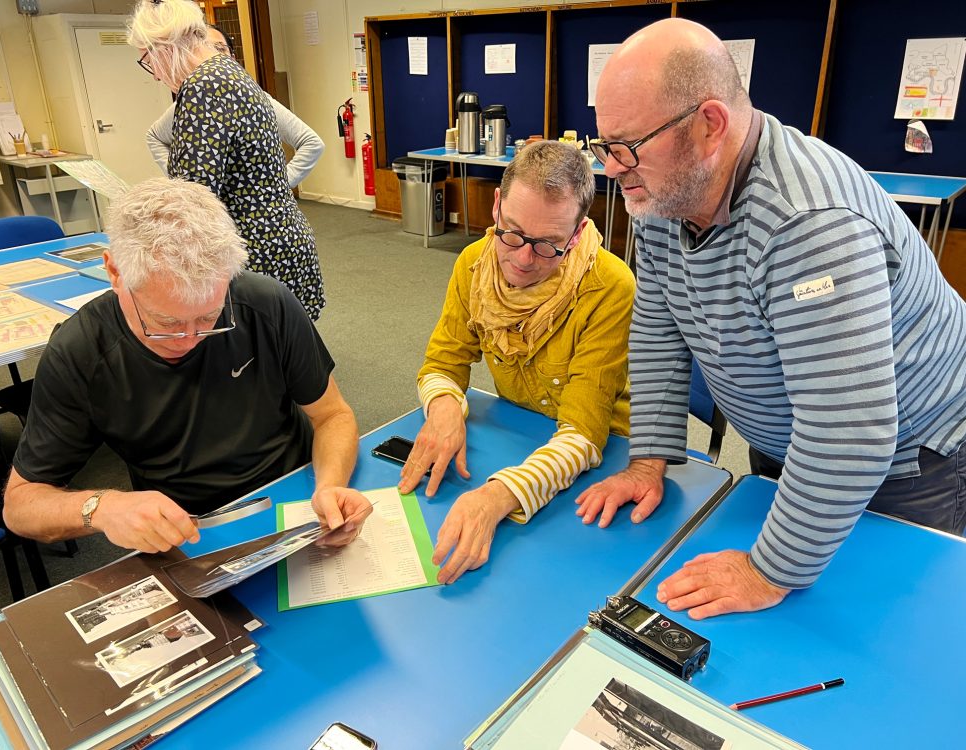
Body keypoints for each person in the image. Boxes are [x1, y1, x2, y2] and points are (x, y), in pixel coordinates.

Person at [580, 18, 966, 619]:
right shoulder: (662, 189)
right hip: (795, 441)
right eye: (604, 146)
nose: (611, 167)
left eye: (627, 146)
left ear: (709, 126)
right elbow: (658, 326)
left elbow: (851, 432)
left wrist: (769, 569)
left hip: (911, 457)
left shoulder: (808, 223)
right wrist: (649, 459)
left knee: (870, 627)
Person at [3, 178, 371, 554]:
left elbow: (331, 416)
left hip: (294, 495)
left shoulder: (266, 303)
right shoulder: (81, 350)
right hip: (185, 528)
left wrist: (329, 485)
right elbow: (20, 505)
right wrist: (102, 507)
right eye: (165, 323)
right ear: (115, 273)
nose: (190, 338)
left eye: (210, 317)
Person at [397, 141, 636, 584]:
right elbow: (442, 363)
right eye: (512, 233)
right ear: (496, 206)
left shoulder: (610, 286)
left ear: (579, 233)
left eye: (549, 245)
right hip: (519, 435)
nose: (523, 259)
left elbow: (584, 434)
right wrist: (445, 409)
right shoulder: (473, 264)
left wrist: (499, 496)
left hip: (603, 458)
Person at [127, 0, 325, 320]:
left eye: (148, 61)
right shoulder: (231, 72)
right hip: (282, 237)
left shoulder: (202, 86)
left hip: (249, 251)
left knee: (253, 360)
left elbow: (192, 198)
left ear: (164, 46)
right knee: (284, 352)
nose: (155, 76)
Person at [145, 26, 325, 189]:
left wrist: (276, 188)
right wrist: (179, 183)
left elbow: (311, 143)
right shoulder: (189, 103)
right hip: (213, 216)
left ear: (231, 57)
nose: (209, 56)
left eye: (218, 49)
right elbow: (154, 136)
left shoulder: (255, 99)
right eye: (203, 48)